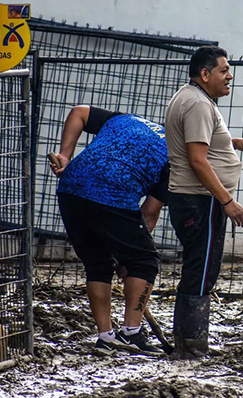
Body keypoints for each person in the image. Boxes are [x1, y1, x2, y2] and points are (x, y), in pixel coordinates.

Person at [49, 105, 170, 356]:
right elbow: (148, 213)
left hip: (71, 189)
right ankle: (131, 334)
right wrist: (129, 259)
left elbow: (79, 112)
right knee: (145, 261)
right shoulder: (175, 157)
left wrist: (65, 155)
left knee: (98, 264)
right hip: (111, 194)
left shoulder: (127, 120)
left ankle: (106, 338)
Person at [165, 45, 243, 358]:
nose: (230, 76)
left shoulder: (192, 97)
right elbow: (197, 160)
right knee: (202, 269)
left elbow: (198, 141)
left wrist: (234, 142)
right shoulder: (197, 104)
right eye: (223, 70)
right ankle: (191, 345)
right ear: (204, 75)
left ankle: (190, 341)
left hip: (195, 201)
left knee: (200, 267)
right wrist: (228, 201)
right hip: (199, 202)